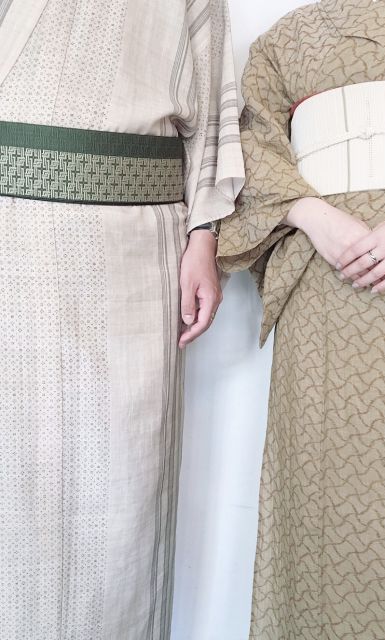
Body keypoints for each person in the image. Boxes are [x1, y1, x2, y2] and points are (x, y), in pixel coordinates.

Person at [218, 1, 385, 638]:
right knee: (315, 502)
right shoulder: (284, 40)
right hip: (325, 282)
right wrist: (315, 217)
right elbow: (249, 143)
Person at [0, 0, 243, 638]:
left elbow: (213, 112)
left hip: (130, 259)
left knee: (124, 489)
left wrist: (205, 236)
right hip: (11, 254)